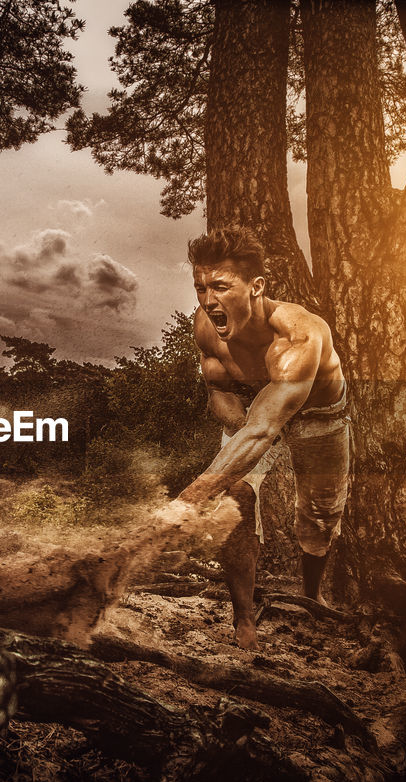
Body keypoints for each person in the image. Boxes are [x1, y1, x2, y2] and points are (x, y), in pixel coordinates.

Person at [174, 226, 351, 650]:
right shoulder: (205, 327)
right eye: (200, 287)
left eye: (220, 286)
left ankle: (311, 593)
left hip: (320, 417)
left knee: (321, 518)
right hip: (255, 409)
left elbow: (265, 428)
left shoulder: (300, 335)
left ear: (256, 287)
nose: (207, 299)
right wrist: (239, 427)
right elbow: (218, 391)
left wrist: (185, 502)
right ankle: (244, 619)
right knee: (235, 495)